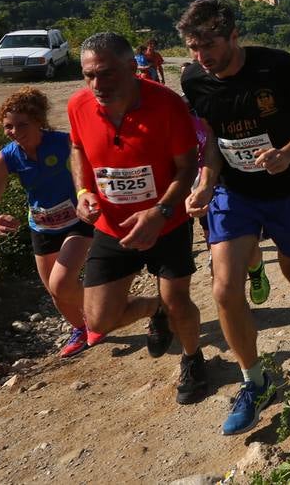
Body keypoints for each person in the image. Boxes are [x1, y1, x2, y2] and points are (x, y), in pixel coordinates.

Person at [178, 0, 290, 435]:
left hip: (286, 186)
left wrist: (287, 153)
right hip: (235, 191)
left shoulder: (276, 66)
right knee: (225, 289)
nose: (200, 56)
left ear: (233, 36)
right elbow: (211, 138)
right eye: (193, 46)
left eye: (209, 45)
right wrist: (206, 181)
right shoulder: (194, 79)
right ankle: (255, 380)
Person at [69, 32, 209, 405]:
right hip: (111, 227)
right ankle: (155, 308)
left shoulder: (166, 105)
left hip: (168, 223)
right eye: (89, 75)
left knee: (179, 301)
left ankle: (193, 359)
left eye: (107, 73)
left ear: (133, 68)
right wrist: (83, 193)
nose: (97, 84)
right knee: (97, 321)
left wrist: (160, 211)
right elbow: (78, 150)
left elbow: (185, 169)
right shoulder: (79, 105)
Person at [0, 87, 95, 358]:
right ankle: (82, 328)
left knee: (62, 284)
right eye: (8, 126)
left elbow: (96, 167)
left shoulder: (65, 143)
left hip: (77, 221)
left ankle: (107, 308)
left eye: (22, 125)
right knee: (56, 294)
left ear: (39, 121)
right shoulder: (6, 158)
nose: (15, 131)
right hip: (42, 228)